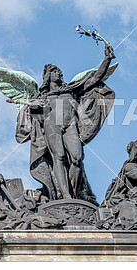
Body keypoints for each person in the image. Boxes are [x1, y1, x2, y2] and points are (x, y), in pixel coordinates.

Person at [16, 44, 116, 205]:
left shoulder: (71, 89)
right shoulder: (43, 95)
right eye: (54, 71)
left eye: (58, 71)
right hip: (51, 125)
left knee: (77, 158)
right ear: (48, 76)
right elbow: (35, 116)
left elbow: (95, 78)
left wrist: (107, 59)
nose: (58, 73)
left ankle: (75, 193)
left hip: (70, 124)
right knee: (59, 158)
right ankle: (66, 196)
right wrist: (33, 106)